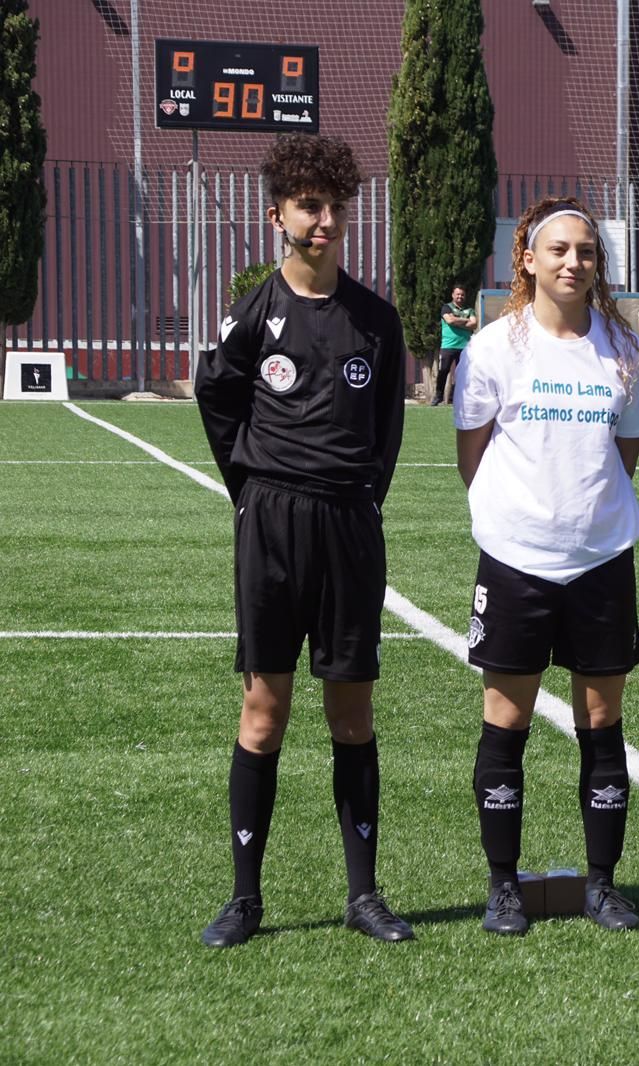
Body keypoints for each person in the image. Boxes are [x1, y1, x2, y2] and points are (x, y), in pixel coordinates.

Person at [193, 133, 411, 948]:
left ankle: (364, 897)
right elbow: (217, 401)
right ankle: (245, 900)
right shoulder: (252, 313)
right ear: (279, 212)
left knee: (351, 712)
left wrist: (362, 501)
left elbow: (386, 429)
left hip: (349, 525)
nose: (324, 221)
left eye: (335, 207)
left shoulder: (376, 321)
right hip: (273, 523)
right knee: (264, 709)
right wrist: (248, 490)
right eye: (309, 207)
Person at [455, 196, 639, 935]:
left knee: (602, 724)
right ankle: (503, 884)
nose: (575, 262)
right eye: (560, 250)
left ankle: (602, 884)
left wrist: (585, 519)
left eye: (588, 252)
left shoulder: (623, 349)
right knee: (505, 723)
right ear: (529, 260)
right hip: (515, 561)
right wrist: (523, 522)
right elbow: (471, 459)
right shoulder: (493, 349)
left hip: (601, 560)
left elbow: (622, 455)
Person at [434, 285, 477, 406]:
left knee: (463, 374)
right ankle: (438, 396)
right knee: (443, 370)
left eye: (462, 294)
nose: (460, 296)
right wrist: (464, 320)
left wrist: (456, 320)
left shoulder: (470, 309)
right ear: (453, 295)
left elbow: (474, 324)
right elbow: (449, 321)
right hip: (448, 346)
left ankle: (462, 398)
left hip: (465, 347)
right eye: (458, 294)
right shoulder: (446, 307)